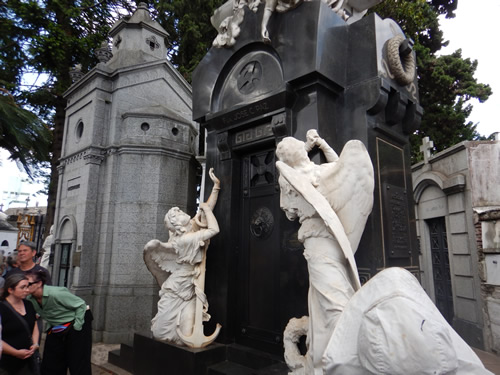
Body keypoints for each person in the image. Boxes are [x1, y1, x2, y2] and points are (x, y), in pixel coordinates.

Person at [276, 131, 374, 374]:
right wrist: (318, 145)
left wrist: (316, 145)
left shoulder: (300, 176)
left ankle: (336, 359)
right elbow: (339, 167)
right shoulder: (305, 176)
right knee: (326, 301)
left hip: (324, 241)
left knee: (332, 301)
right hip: (325, 242)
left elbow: (289, 210)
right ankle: (328, 359)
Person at [144, 168, 221, 345]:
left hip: (190, 286)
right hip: (178, 288)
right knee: (161, 333)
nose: (181, 213)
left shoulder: (190, 229)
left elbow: (207, 207)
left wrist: (215, 187)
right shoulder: (184, 240)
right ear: (176, 225)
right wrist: (206, 211)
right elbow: (214, 229)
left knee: (185, 336)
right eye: (177, 214)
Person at [25, 270, 92, 375]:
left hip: (77, 320)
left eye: (28, 284)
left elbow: (81, 305)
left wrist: (77, 327)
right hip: (56, 325)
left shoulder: (56, 293)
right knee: (51, 361)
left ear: (39, 283)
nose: (26, 287)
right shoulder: (29, 299)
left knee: (77, 360)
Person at [0, 274, 40, 375]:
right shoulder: (2, 308)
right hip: (6, 363)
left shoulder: (29, 304)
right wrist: (15, 352)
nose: (27, 290)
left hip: (27, 362)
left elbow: (34, 325)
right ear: (10, 290)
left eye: (27, 286)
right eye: (23, 287)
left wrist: (35, 343)